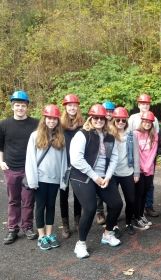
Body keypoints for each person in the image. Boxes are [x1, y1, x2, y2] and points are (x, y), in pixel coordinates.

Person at [70, 104, 122, 259]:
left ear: (106, 119)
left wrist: (108, 176)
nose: (99, 120)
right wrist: (95, 177)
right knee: (90, 208)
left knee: (116, 204)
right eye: (96, 117)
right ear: (91, 118)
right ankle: (80, 244)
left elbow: (114, 158)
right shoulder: (82, 134)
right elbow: (76, 159)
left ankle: (107, 234)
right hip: (82, 176)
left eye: (102, 118)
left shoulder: (110, 136)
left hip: (103, 177)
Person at [25, 105, 67, 250]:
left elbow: (64, 161)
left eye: (54, 119)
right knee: (40, 206)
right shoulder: (35, 135)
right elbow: (30, 159)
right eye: (49, 118)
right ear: (44, 119)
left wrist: (63, 180)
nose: (52, 121)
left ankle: (49, 234)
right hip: (40, 179)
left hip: (55, 179)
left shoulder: (60, 137)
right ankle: (41, 236)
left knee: (50, 206)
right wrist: (32, 180)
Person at [0, 90, 38, 245]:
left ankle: (27, 226)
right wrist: (1, 162)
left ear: (27, 107)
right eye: (17, 105)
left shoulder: (35, 124)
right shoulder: (4, 124)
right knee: (13, 200)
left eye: (23, 105)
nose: (20, 108)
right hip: (11, 168)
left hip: (29, 169)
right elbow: (0, 146)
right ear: (12, 106)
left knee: (28, 200)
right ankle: (12, 229)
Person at [109, 107, 140, 235]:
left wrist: (136, 172)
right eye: (118, 120)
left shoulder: (132, 135)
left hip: (128, 171)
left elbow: (136, 154)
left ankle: (128, 223)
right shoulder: (109, 134)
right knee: (113, 202)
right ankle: (114, 225)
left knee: (131, 200)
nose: (121, 122)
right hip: (113, 173)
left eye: (123, 120)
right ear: (114, 120)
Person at [128, 93, 160, 218]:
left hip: (149, 160)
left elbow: (155, 138)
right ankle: (136, 213)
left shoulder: (155, 119)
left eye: (147, 104)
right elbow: (129, 138)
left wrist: (150, 163)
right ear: (138, 104)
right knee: (137, 190)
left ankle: (148, 207)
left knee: (149, 186)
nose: (145, 106)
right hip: (137, 162)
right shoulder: (133, 118)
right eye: (142, 103)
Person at [59, 94, 84, 238]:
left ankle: (78, 221)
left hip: (77, 165)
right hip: (63, 164)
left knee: (78, 195)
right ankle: (65, 225)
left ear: (77, 107)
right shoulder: (60, 125)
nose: (72, 108)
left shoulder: (82, 124)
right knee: (63, 195)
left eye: (74, 105)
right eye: (69, 105)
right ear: (65, 107)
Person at [133, 111, 158, 229]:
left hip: (149, 169)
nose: (147, 124)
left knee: (145, 193)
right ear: (142, 122)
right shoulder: (135, 134)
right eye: (145, 121)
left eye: (150, 122)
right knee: (139, 193)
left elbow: (153, 153)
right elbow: (135, 152)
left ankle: (141, 214)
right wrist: (140, 167)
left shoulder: (154, 135)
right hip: (139, 170)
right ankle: (136, 216)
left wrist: (148, 167)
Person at [95, 100, 116, 225]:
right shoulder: (98, 122)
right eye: (106, 110)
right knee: (99, 189)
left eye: (110, 111)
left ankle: (110, 211)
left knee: (110, 188)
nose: (108, 113)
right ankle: (99, 212)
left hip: (111, 160)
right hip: (99, 162)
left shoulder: (116, 123)